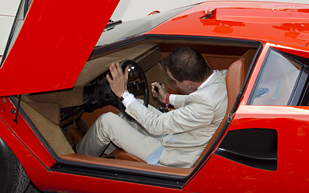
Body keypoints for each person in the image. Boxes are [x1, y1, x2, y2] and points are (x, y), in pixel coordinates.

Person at [77, 47, 228, 168]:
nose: (174, 82)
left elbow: (156, 126)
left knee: (107, 121)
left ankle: (79, 160)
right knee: (133, 110)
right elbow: (198, 100)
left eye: (175, 80)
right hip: (184, 136)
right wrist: (167, 98)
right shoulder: (222, 77)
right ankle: (103, 153)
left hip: (172, 154)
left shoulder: (205, 103)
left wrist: (123, 94)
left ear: (188, 83)